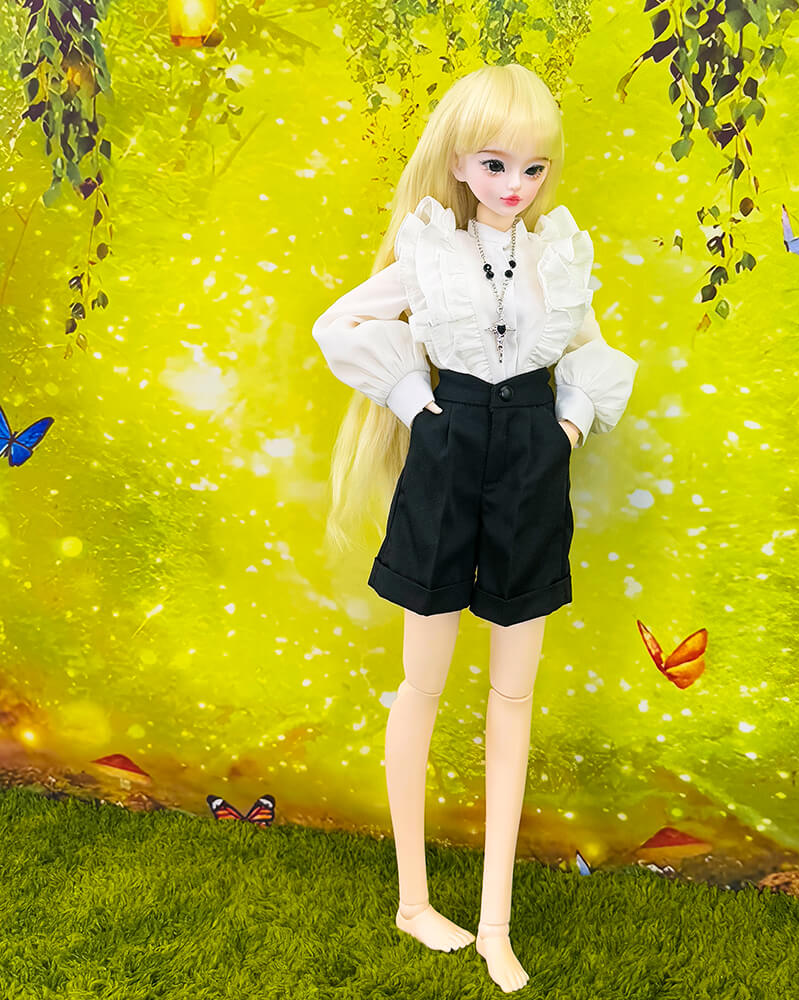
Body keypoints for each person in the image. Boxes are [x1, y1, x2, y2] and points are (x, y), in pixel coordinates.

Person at [311, 62, 638, 994]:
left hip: (532, 461)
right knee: (420, 684)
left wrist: (566, 426)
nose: (514, 185)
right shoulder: (431, 253)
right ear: (458, 161)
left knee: (512, 696)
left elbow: (594, 353)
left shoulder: (557, 256)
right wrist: (414, 403)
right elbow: (340, 325)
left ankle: (497, 923)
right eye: (496, 164)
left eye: (533, 168)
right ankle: (414, 901)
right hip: (446, 457)